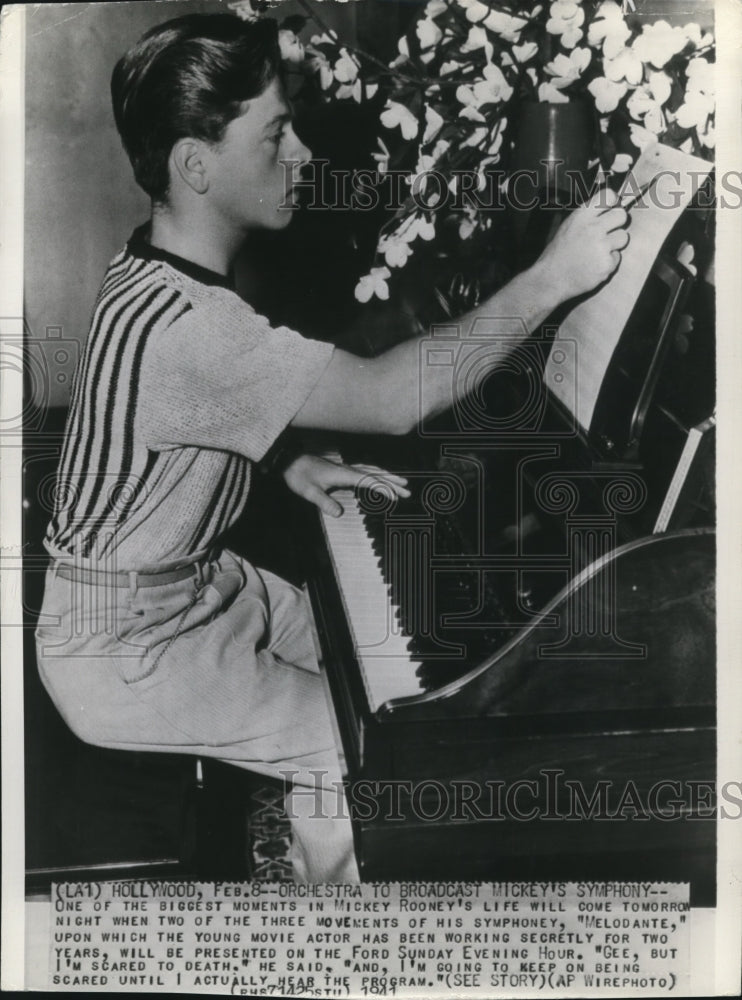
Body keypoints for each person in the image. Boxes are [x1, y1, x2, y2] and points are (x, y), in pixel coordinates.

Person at [34, 12, 630, 883]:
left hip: (189, 586)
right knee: (355, 753)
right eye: (277, 132)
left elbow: (165, 411)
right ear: (196, 167)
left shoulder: (148, 274)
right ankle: (345, 947)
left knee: (362, 649)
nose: (304, 154)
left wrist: (279, 455)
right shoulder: (199, 329)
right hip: (126, 648)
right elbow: (392, 399)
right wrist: (551, 277)